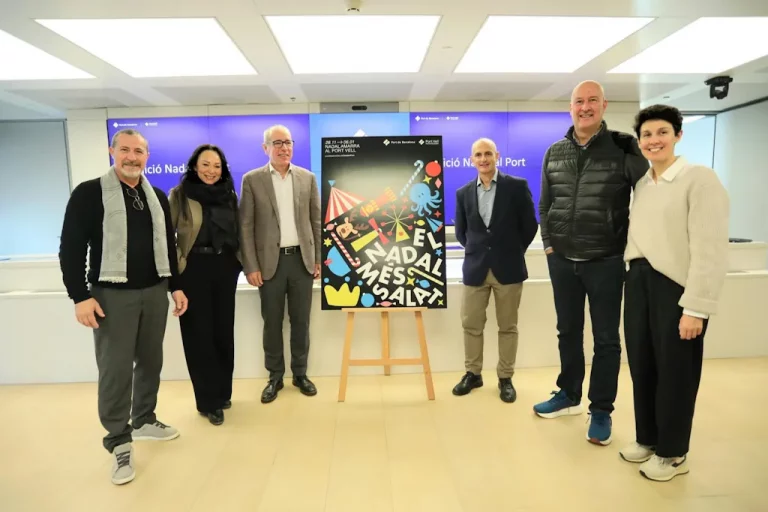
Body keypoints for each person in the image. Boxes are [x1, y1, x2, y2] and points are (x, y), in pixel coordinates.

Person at [59, 129, 187, 485]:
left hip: (154, 291)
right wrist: (79, 296)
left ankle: (144, 419)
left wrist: (175, 286)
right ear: (112, 151)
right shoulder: (89, 193)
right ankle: (118, 440)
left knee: (151, 360)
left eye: (139, 151)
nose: (132, 157)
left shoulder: (156, 196)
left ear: (147, 155)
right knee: (115, 369)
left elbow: (168, 247)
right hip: (110, 296)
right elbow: (70, 248)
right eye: (126, 150)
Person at [534, 80, 649, 445]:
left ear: (604, 105)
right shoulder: (554, 152)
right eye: (579, 101)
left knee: (606, 340)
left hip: (606, 260)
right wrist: (550, 246)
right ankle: (568, 394)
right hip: (563, 261)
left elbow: (648, 192)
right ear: (570, 107)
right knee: (567, 332)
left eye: (592, 101)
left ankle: (600, 410)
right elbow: (545, 204)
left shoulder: (622, 147)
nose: (585, 107)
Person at [619, 105, 729, 481]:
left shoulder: (699, 179)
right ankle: (648, 439)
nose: (654, 140)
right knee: (643, 366)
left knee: (676, 372)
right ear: (639, 142)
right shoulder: (643, 185)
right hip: (638, 281)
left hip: (676, 288)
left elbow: (710, 248)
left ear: (678, 135)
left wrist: (696, 308)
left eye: (662, 132)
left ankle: (673, 453)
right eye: (647, 135)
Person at [239, 125, 321, 403]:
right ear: (266, 148)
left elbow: (315, 222)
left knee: (301, 321)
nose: (284, 148)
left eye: (287, 142)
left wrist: (317, 259)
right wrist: (251, 265)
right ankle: (275, 376)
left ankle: (300, 374)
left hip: (301, 261)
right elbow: (246, 226)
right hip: (269, 265)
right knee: (272, 322)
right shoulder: (252, 180)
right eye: (277, 143)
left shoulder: (307, 178)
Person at [452, 138, 538, 402]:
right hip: (475, 268)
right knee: (471, 324)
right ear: (471, 160)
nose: (483, 159)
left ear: (497, 156)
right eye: (478, 154)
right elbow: (461, 232)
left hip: (509, 269)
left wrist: (512, 251)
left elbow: (529, 226)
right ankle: (473, 373)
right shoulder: (463, 192)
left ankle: (505, 377)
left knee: (508, 326)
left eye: (488, 153)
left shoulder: (516, 187)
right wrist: (481, 251)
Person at [169, 144, 242, 426]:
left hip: (225, 269)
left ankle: (223, 393)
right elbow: (166, 236)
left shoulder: (228, 195)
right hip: (194, 270)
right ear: (194, 166)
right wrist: (177, 270)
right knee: (199, 336)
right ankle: (207, 400)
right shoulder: (180, 194)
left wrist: (239, 263)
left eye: (216, 165)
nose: (211, 171)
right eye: (205, 164)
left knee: (223, 332)